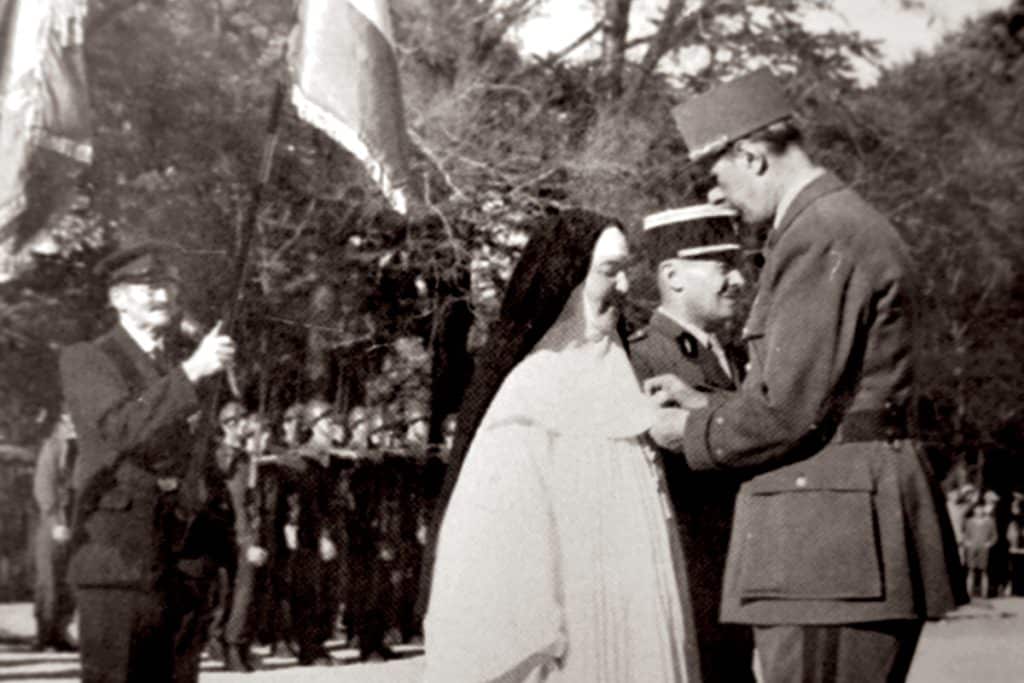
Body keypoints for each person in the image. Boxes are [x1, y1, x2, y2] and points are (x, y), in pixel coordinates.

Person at [648, 68, 965, 682]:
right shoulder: (836, 223)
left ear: (751, 156)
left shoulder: (818, 234)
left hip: (827, 544)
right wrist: (707, 404)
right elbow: (822, 389)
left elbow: (788, 411)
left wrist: (685, 432)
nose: (716, 196)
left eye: (718, 176)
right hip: (841, 528)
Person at [424, 209, 686, 682]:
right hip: (575, 647)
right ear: (562, 282)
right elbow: (496, 564)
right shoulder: (528, 397)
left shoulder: (624, 378)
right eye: (609, 272)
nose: (624, 288)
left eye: (626, 271)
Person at [59, 243, 237, 683]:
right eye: (147, 286)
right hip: (120, 558)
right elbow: (119, 428)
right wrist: (191, 373)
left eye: (169, 285)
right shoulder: (89, 358)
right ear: (117, 298)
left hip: (186, 557)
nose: (162, 295)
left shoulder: (179, 359)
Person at [629, 204, 755, 683]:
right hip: (692, 572)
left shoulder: (732, 354)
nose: (739, 281)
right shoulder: (642, 358)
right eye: (724, 268)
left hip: (733, 570)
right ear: (673, 275)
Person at [284, 399, 349, 665]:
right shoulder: (304, 458)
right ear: (314, 424)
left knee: (329, 591)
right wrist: (321, 536)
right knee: (311, 590)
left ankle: (319, 645)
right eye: (327, 420)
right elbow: (301, 502)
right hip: (311, 534)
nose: (332, 424)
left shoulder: (331, 458)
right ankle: (309, 649)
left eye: (333, 420)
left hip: (331, 531)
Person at [210, 402, 269, 671]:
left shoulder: (245, 457)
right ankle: (226, 645)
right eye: (243, 420)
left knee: (244, 592)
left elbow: (250, 499)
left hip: (244, 530)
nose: (248, 425)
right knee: (228, 593)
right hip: (226, 531)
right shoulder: (220, 456)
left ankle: (236, 645)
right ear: (229, 425)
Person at [32, 411, 78, 652]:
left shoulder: (78, 446)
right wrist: (55, 522)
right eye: (67, 421)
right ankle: (45, 633)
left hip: (74, 521)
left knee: (68, 580)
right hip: (54, 522)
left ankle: (60, 631)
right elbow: (45, 486)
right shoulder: (52, 447)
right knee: (49, 580)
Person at [963, 503, 998, 598]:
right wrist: (967, 542)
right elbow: (965, 535)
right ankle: (968, 594)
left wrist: (989, 544)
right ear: (974, 510)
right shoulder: (969, 521)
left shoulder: (990, 521)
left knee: (984, 571)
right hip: (972, 549)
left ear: (983, 510)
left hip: (984, 549)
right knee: (970, 570)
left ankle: (984, 594)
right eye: (977, 509)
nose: (979, 511)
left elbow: (995, 536)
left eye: (981, 509)